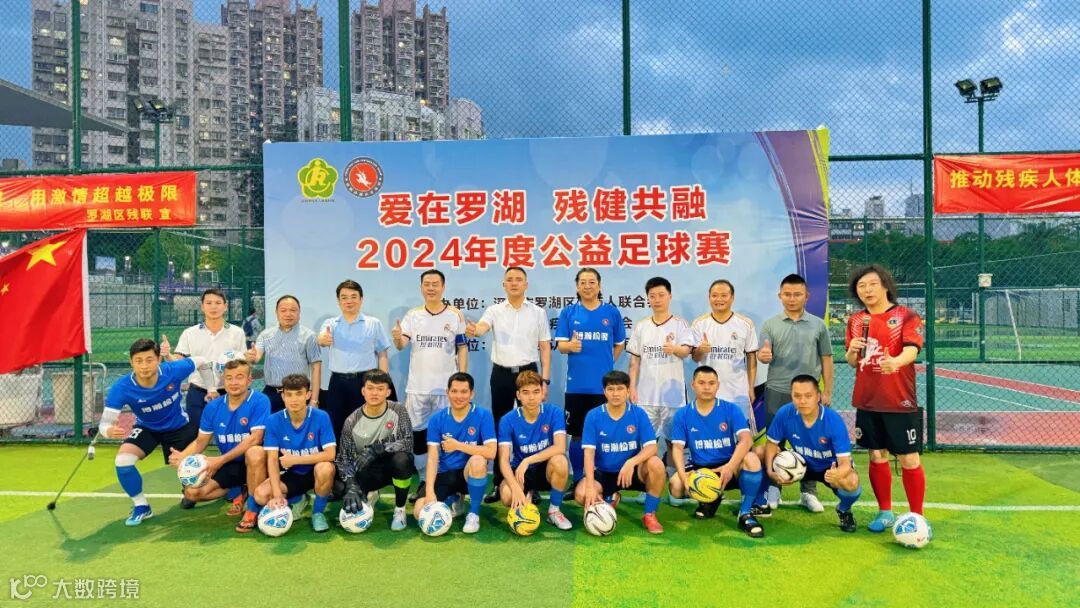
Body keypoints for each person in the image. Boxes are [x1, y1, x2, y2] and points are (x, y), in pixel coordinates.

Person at [844, 264, 926, 533]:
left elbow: (912, 349)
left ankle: (917, 516)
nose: (867, 290)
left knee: (908, 458)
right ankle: (885, 511)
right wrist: (852, 351)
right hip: (867, 400)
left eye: (872, 284)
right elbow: (852, 361)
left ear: (885, 286)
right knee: (876, 455)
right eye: (861, 286)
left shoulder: (905, 316)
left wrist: (896, 362)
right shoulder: (856, 321)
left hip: (899, 400)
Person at [99, 338, 216, 526]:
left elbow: (202, 361)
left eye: (149, 360)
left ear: (158, 360)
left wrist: (211, 388)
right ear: (131, 362)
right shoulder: (122, 387)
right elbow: (104, 423)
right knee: (123, 461)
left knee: (194, 488)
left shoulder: (173, 370)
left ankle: (226, 488)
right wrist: (108, 431)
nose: (144, 366)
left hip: (178, 426)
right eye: (138, 361)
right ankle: (141, 506)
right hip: (147, 428)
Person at [466, 266, 553, 502]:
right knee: (499, 426)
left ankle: (533, 483)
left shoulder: (537, 312)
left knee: (533, 427)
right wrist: (474, 330)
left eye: (518, 279)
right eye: (510, 280)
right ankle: (498, 482)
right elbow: (482, 328)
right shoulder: (494, 310)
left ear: (526, 284)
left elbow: (545, 347)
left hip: (529, 372)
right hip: (502, 374)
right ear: (503, 285)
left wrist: (544, 380)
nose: (514, 283)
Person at [757, 273, 834, 513]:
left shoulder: (818, 325)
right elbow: (763, 353)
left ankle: (808, 492)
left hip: (809, 395)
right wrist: (763, 355)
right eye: (787, 294)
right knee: (775, 442)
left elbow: (826, 358)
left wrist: (827, 390)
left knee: (809, 444)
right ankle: (774, 489)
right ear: (780, 296)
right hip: (777, 390)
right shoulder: (769, 325)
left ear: (806, 296)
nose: (792, 299)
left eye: (797, 294)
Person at [392, 269, 468, 494]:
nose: (431, 288)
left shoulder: (455, 315)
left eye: (435, 284)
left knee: (446, 436)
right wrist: (397, 338)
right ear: (421, 287)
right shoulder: (413, 315)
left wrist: (461, 379)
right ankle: (425, 480)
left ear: (443, 287)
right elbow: (401, 345)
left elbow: (462, 347)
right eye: (427, 284)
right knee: (418, 436)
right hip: (418, 388)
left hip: (446, 390)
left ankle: (445, 480)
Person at [669, 366, 765, 537]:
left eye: (711, 383)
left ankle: (745, 513)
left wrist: (730, 466)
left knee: (751, 459)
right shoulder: (683, 414)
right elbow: (677, 448)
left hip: (729, 466)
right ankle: (711, 500)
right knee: (675, 486)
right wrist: (684, 478)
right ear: (693, 385)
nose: (707, 387)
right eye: (701, 383)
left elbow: (746, 440)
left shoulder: (731, 409)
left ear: (718, 385)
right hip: (701, 468)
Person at [170, 359, 270, 519]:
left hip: (258, 463)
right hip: (231, 464)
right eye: (229, 378)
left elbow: (255, 439)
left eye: (239, 377)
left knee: (255, 453)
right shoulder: (213, 407)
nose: (234, 382)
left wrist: (219, 460)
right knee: (192, 493)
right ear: (223, 380)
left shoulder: (259, 401)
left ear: (249, 380)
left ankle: (253, 508)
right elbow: (201, 441)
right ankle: (239, 489)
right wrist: (183, 456)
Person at [237, 374, 336, 533]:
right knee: (261, 495)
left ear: (308, 395)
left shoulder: (321, 417)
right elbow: (272, 460)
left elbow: (330, 454)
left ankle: (317, 513)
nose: (294, 399)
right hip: (291, 474)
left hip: (315, 472)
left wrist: (296, 459)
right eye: (289, 395)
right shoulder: (273, 420)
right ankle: (297, 499)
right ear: (283, 396)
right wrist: (277, 494)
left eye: (299, 394)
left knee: (325, 468)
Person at [763, 375, 863, 533]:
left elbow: (844, 462)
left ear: (818, 396)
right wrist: (770, 471)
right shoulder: (785, 413)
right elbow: (771, 444)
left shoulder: (833, 421)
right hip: (800, 463)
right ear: (791, 396)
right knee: (759, 452)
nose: (802, 401)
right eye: (797, 396)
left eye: (808, 396)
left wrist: (837, 474)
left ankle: (844, 510)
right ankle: (762, 499)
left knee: (852, 482)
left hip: (827, 467)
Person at [627, 276, 694, 505]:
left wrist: (674, 348)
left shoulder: (680, 324)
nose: (657, 300)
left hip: (673, 397)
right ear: (648, 298)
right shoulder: (642, 326)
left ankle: (675, 487)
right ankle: (647, 486)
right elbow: (634, 361)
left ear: (670, 296)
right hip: (645, 396)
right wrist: (632, 387)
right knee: (647, 444)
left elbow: (687, 351)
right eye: (652, 296)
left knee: (675, 443)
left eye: (661, 295)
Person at [554, 268, 626, 482]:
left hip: (604, 388)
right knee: (577, 434)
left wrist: (608, 363)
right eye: (583, 282)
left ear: (599, 285)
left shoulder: (611, 313)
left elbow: (620, 344)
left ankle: (602, 480)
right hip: (576, 386)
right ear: (577, 287)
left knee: (604, 433)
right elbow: (561, 346)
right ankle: (578, 479)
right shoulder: (568, 313)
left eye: (592, 282)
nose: (587, 286)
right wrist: (570, 346)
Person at [574, 371, 667, 534]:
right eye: (611, 389)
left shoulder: (638, 414)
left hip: (631, 472)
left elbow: (652, 447)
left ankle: (649, 514)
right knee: (581, 495)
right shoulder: (594, 416)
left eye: (620, 389)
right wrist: (589, 486)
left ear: (628, 390)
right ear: (604, 392)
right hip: (604, 473)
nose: (615, 394)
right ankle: (609, 498)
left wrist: (631, 462)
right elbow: (588, 454)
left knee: (656, 464)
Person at [414, 372, 496, 534]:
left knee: (478, 460)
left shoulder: (483, 415)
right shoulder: (437, 418)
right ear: (447, 392)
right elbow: (432, 458)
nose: (459, 396)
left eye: (464, 391)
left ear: (472, 393)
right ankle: (455, 499)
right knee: (419, 512)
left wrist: (458, 446)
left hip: (469, 474)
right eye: (454, 391)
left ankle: (473, 514)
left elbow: (491, 452)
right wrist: (429, 492)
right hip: (446, 474)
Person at [336, 370, 414, 532]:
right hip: (368, 470)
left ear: (388, 392)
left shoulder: (399, 410)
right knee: (339, 488)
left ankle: (400, 510)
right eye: (370, 388)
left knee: (403, 460)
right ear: (363, 391)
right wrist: (351, 485)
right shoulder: (352, 421)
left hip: (392, 466)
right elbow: (343, 458)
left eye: (380, 389)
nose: (374, 393)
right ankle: (370, 492)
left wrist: (377, 450)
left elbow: (407, 442)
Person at [317, 279, 393, 442]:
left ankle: (365, 458)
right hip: (338, 382)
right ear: (338, 301)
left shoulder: (373, 323)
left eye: (353, 297)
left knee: (366, 424)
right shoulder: (330, 324)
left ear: (361, 299)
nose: (349, 301)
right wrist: (323, 339)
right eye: (344, 297)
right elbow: (322, 339)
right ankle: (339, 458)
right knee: (336, 424)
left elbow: (382, 354)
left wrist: (382, 384)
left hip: (365, 382)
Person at [165, 288, 246, 440]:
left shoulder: (237, 332)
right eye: (209, 303)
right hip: (198, 391)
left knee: (232, 436)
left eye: (218, 303)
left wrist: (250, 358)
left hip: (229, 392)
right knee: (195, 435)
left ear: (225, 306)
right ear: (202, 306)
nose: (213, 307)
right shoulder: (190, 333)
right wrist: (168, 355)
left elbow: (243, 363)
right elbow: (180, 359)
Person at [496, 371, 572, 530]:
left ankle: (554, 511)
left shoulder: (554, 412)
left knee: (560, 461)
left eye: (536, 392)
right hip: (521, 472)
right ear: (518, 395)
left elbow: (560, 447)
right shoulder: (507, 420)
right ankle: (526, 494)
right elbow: (503, 460)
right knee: (507, 496)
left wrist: (528, 460)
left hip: (545, 468)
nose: (531, 397)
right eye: (526, 392)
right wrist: (515, 487)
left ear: (542, 393)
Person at [691, 279, 759, 426]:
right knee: (711, 433)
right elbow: (695, 358)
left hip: (738, 393)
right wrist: (700, 350)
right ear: (709, 297)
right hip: (708, 392)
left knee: (741, 433)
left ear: (732, 297)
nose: (719, 300)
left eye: (724, 296)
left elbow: (751, 358)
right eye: (715, 296)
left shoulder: (745, 324)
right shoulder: (699, 324)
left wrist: (751, 387)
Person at [246, 295, 322, 413]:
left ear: (299, 312)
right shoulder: (266, 335)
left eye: (293, 310)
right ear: (276, 313)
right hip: (271, 394)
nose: (288, 314)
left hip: (298, 394)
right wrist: (251, 356)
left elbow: (316, 368)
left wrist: (314, 400)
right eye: (283, 310)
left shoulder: (309, 336)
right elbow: (256, 356)